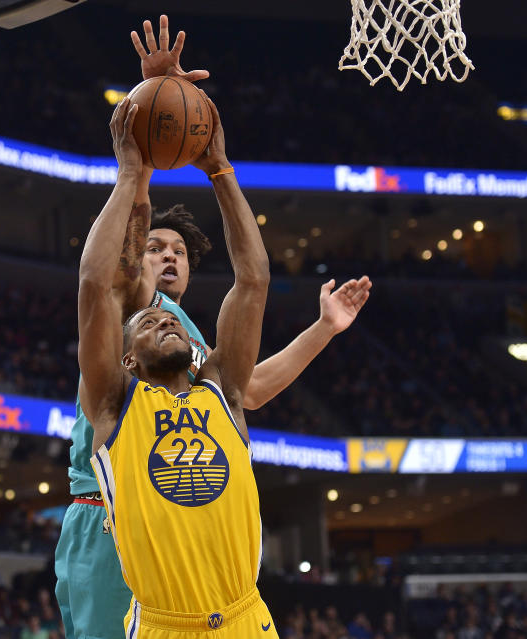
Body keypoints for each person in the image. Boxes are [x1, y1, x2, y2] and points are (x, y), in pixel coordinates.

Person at [54, 16, 371, 639]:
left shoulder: (188, 342)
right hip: (111, 516)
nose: (168, 255)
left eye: (180, 250)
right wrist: (147, 130)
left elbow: (245, 382)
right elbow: (108, 269)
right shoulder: (133, 316)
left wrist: (322, 331)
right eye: (156, 247)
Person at [83, 84, 302, 636]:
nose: (165, 320)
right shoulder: (114, 405)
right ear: (126, 359)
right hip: (165, 625)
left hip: (247, 619)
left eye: (171, 320)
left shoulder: (222, 392)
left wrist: (221, 172)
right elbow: (96, 284)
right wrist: (131, 174)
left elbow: (252, 281)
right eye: (150, 323)